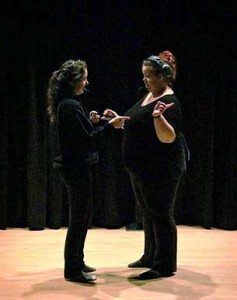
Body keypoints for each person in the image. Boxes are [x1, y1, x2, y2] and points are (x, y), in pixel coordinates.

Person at [104, 50, 188, 280]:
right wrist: (121, 120)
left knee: (161, 214)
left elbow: (168, 137)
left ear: (162, 76)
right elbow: (139, 122)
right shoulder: (149, 95)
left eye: (148, 76)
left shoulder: (169, 102)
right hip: (140, 168)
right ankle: (150, 255)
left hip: (160, 169)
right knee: (148, 213)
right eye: (144, 75)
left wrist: (158, 118)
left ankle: (164, 264)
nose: (144, 80)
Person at [47, 59, 129, 283]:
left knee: (83, 217)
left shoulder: (69, 103)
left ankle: (77, 261)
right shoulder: (70, 105)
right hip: (76, 169)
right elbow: (87, 141)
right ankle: (72, 270)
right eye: (84, 78)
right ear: (75, 80)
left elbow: (81, 134)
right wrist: (110, 127)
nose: (87, 81)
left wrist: (92, 122)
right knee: (79, 219)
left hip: (75, 168)